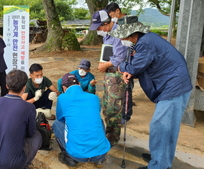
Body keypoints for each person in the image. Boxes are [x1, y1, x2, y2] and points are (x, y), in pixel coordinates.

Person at [109, 22, 192, 169]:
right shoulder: (146, 40)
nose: (122, 40)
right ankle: (160, 158)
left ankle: (159, 165)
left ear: (131, 35)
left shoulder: (145, 43)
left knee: (161, 127)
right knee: (166, 127)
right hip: (172, 83)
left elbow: (136, 66)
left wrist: (122, 67)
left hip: (173, 86)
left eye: (122, 37)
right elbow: (143, 66)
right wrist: (131, 71)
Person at [0, 69, 42, 169]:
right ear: (24, 88)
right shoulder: (28, 107)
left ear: (6, 86)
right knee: (37, 136)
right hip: (12, 164)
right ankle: (24, 164)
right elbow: (31, 133)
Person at [52, 73, 110, 168]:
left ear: (64, 88)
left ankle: (70, 159)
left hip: (77, 155)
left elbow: (61, 118)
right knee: (99, 120)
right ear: (79, 84)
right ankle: (100, 160)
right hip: (101, 153)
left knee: (57, 124)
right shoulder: (94, 97)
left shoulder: (62, 98)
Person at [89, 9, 129, 147]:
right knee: (106, 106)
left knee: (113, 108)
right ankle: (108, 133)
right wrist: (104, 64)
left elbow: (119, 57)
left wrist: (105, 65)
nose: (98, 30)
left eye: (99, 27)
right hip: (109, 74)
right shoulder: (108, 33)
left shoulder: (119, 33)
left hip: (117, 75)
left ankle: (112, 139)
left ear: (106, 23)